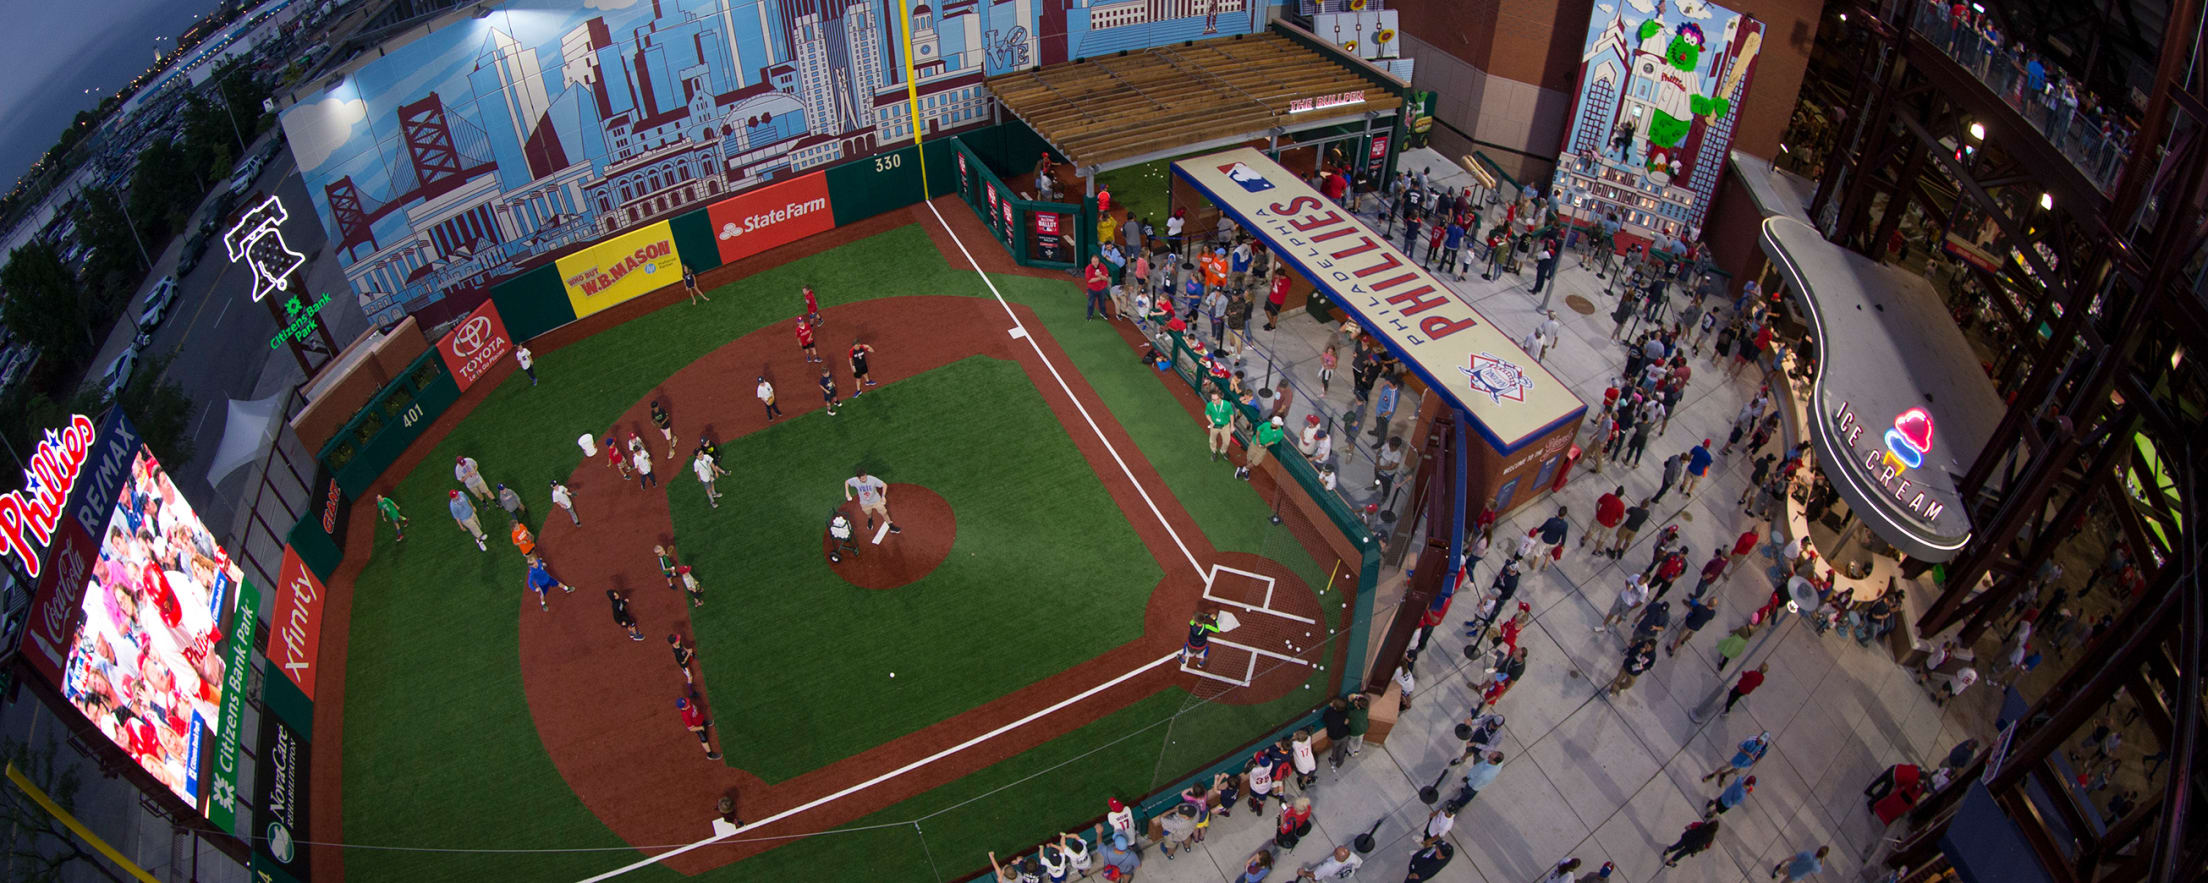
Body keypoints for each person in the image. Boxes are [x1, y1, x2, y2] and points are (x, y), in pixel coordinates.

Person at [1707, 732, 1772, 785]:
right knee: (1725, 768)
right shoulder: (1751, 740)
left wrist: (1752, 762)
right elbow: (1739, 745)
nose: (1760, 742)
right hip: (1737, 760)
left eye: (1762, 741)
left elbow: (1759, 756)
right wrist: (1747, 754)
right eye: (1760, 739)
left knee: (1735, 771)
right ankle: (1712, 775)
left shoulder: (1763, 747)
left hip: (1745, 764)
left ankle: (1723, 775)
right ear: (1759, 736)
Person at [1244, 416, 1284, 481]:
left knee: (1256, 462)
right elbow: (1259, 429)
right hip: (1254, 443)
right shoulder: (1267, 424)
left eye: (1274, 424)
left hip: (1263, 448)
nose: (1272, 424)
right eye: (1272, 423)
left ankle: (1243, 469)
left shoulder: (1280, 434)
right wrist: (1257, 439)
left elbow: (1274, 441)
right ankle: (1247, 470)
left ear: (1278, 425)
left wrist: (1265, 445)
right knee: (1249, 458)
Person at [1297, 845, 1363, 880]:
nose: (1335, 850)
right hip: (1347, 874)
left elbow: (1315, 875)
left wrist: (1304, 873)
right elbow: (1358, 864)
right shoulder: (1352, 856)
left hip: (1333, 878)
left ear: (1337, 856)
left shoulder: (1328, 866)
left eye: (1336, 851)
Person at [1205, 390, 1235, 463]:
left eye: (1216, 399)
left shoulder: (1227, 404)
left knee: (1227, 442)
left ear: (1220, 398)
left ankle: (1223, 451)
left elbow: (1231, 414)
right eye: (1213, 400)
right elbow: (1207, 414)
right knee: (1212, 440)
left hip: (1225, 426)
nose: (1215, 401)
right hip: (1214, 425)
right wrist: (1211, 422)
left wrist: (1232, 425)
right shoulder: (1210, 405)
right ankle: (1214, 451)